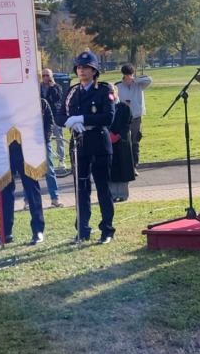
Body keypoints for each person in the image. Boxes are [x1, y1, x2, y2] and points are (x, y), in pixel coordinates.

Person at [57, 50, 115, 244]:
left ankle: (107, 229)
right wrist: (70, 122)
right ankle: (82, 230)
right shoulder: (72, 91)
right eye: (79, 68)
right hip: (79, 145)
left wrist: (82, 118)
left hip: (98, 142)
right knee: (81, 189)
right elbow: (59, 116)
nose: (82, 71)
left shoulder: (103, 90)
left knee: (103, 188)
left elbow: (108, 117)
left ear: (94, 70)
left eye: (86, 68)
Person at [0, 92, 54, 247]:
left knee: (32, 191)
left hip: (28, 150)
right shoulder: (2, 100)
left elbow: (48, 120)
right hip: (6, 149)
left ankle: (38, 230)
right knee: (5, 190)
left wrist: (43, 140)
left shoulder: (37, 101)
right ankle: (5, 231)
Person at [115, 63, 152, 167]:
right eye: (126, 75)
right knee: (124, 141)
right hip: (123, 118)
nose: (128, 77)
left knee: (135, 140)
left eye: (130, 74)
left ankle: (134, 164)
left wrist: (134, 80)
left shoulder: (139, 84)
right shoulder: (118, 86)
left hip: (136, 116)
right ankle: (124, 165)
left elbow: (149, 80)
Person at [41, 68, 68, 185]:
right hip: (44, 118)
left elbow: (57, 98)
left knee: (59, 138)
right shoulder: (39, 87)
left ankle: (61, 160)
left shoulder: (57, 87)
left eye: (47, 75)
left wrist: (52, 87)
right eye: (43, 76)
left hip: (55, 116)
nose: (46, 78)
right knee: (46, 139)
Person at [108, 98, 135, 202]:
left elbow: (128, 122)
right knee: (112, 168)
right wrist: (109, 133)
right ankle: (113, 194)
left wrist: (119, 135)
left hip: (122, 141)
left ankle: (123, 194)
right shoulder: (105, 105)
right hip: (109, 140)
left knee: (124, 168)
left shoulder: (124, 107)